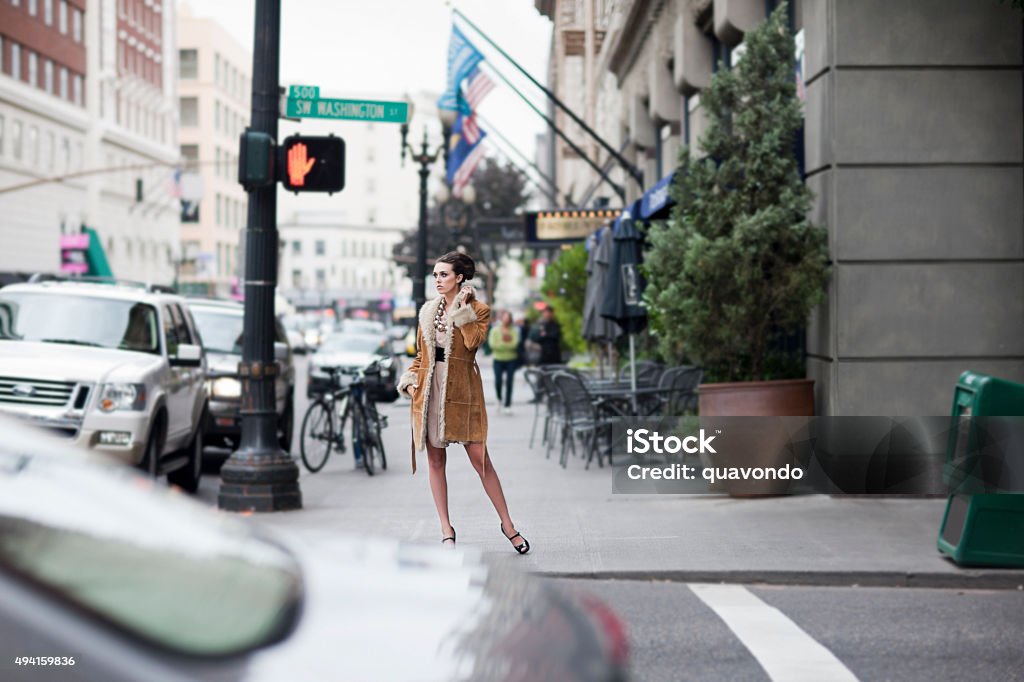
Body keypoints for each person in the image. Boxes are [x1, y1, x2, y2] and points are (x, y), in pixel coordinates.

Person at [397, 252, 530, 554]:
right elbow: (422, 355)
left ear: (459, 278)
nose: (437, 280)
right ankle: (446, 530)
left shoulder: (478, 310)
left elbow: (473, 343)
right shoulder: (427, 312)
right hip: (431, 389)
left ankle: (508, 525)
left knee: (481, 461)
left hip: (463, 391)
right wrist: (410, 379)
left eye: (443, 275)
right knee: (435, 461)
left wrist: (462, 309)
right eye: (435, 275)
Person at [488, 311, 520, 415]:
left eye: (508, 318)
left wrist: (501, 344)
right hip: (498, 359)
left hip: (511, 359)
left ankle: (508, 404)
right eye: (504, 318)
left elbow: (514, 344)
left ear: (510, 320)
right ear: (502, 318)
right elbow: (493, 345)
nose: (506, 320)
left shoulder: (514, 331)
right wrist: (505, 343)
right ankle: (499, 398)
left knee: (510, 382)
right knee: (498, 381)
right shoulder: (495, 330)